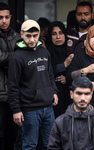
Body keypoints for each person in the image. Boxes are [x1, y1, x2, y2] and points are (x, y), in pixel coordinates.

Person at [7, 19, 58, 150]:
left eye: (35, 35)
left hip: (48, 107)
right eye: (28, 36)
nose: (32, 39)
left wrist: (54, 92)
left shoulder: (45, 52)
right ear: (21, 34)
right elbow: (12, 85)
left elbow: (50, 75)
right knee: (30, 146)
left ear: (39, 34)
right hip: (29, 109)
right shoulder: (17, 57)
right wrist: (16, 110)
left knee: (50, 145)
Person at [48, 76, 94, 150]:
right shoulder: (60, 122)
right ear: (71, 94)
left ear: (91, 95)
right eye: (79, 93)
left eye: (86, 94)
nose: (82, 98)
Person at [0, 2, 21, 150]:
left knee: (14, 134)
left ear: (11, 17)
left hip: (15, 94)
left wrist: (8, 61)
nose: (4, 21)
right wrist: (15, 58)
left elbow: (23, 59)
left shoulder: (17, 36)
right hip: (0, 95)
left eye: (7, 17)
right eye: (0, 17)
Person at [46, 21, 74, 118]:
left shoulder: (70, 50)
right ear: (50, 36)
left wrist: (67, 78)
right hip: (52, 97)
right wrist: (64, 64)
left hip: (68, 95)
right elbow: (45, 71)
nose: (58, 37)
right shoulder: (46, 52)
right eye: (54, 34)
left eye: (61, 33)